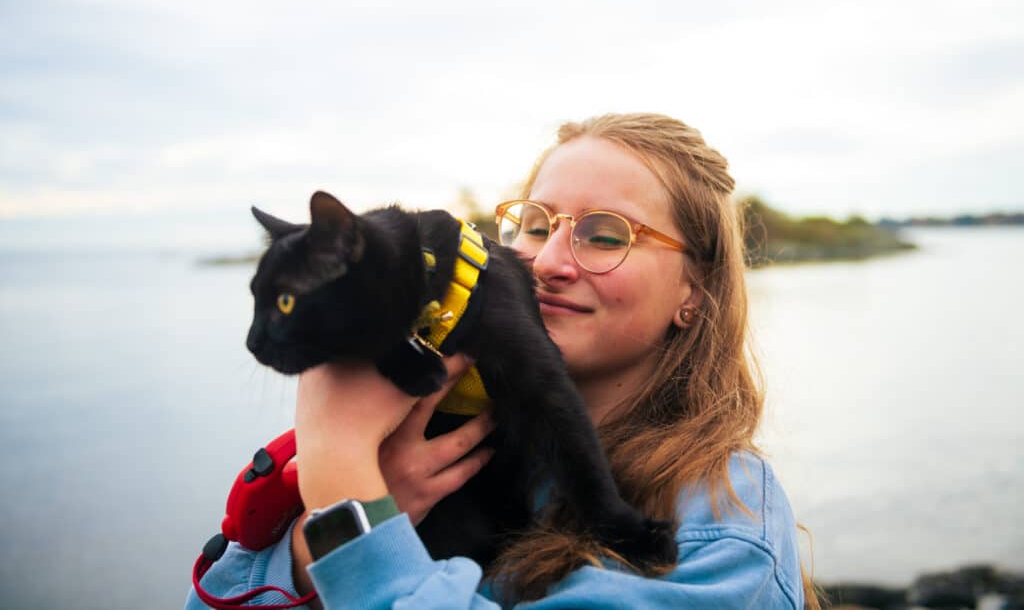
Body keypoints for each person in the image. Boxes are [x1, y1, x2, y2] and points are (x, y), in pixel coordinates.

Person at [187, 113, 821, 609]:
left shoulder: (719, 519)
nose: (547, 263)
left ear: (696, 292)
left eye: (605, 234)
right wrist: (312, 549)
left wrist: (342, 485)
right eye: (537, 225)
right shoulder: (432, 436)